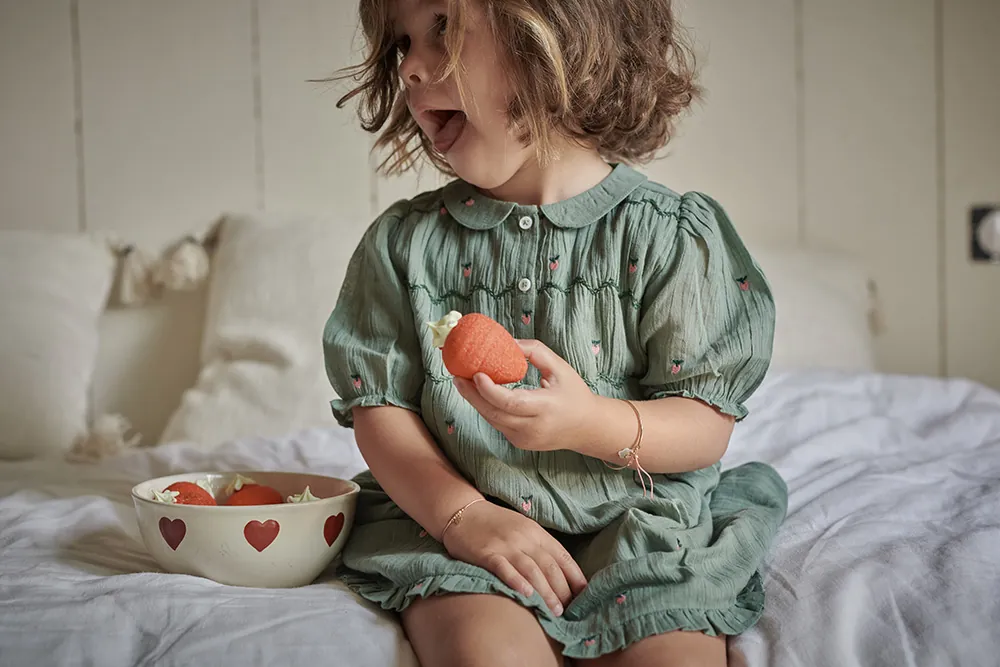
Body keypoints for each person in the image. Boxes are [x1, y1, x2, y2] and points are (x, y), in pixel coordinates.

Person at [322, 1, 788, 664]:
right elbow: (380, 411)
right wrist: (464, 518)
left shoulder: (668, 238)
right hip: (459, 525)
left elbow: (704, 423)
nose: (414, 68)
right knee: (487, 653)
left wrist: (589, 423)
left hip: (639, 526)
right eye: (402, 45)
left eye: (443, 28)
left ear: (557, 37)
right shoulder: (405, 247)